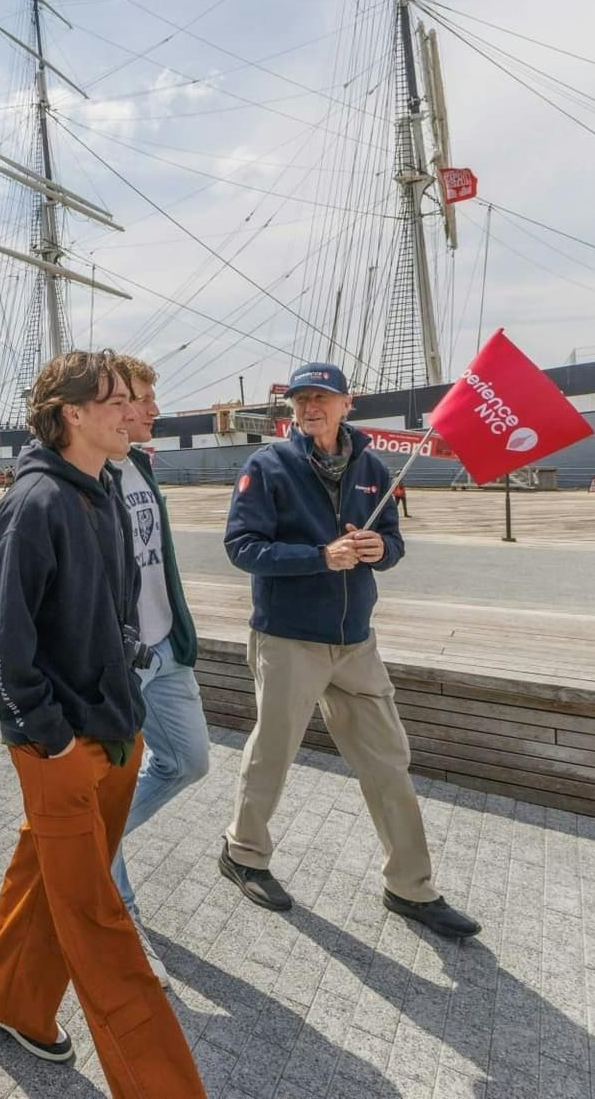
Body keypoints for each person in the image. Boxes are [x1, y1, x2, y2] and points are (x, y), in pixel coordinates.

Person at [0, 351, 205, 1098]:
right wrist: (55, 741)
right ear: (73, 414)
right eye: (115, 402)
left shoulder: (103, 489)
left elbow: (115, 612)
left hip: (114, 729)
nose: (132, 412)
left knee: (45, 878)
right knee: (102, 930)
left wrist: (126, 701)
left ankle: (6, 995)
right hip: (61, 747)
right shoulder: (34, 503)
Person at [219, 362, 480, 939]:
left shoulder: (372, 467)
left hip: (355, 641)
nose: (311, 407)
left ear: (347, 404)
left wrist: (374, 548)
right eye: (301, 399)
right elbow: (241, 548)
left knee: (387, 760)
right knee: (274, 752)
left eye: (322, 398)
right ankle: (244, 853)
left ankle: (410, 888)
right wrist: (319, 556)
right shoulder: (268, 467)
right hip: (289, 638)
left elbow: (393, 542)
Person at [107, 355, 208, 987]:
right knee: (107, 787)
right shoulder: (86, 476)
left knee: (190, 761)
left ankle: (92, 845)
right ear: (111, 403)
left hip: (166, 645)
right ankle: (122, 916)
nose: (154, 409)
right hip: (122, 659)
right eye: (142, 397)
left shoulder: (141, 465)